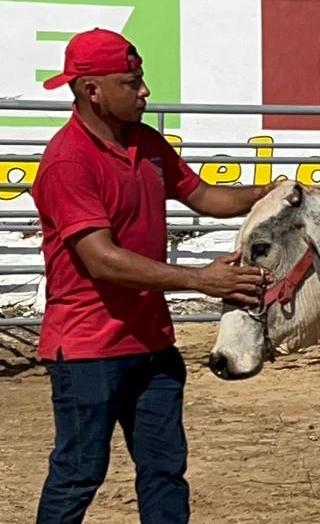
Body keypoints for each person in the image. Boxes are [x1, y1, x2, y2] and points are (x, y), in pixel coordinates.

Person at [30, 28, 278, 524]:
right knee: (79, 472)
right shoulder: (67, 161)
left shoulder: (145, 142)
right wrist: (200, 280)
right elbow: (101, 259)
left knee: (164, 470)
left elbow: (205, 196)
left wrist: (265, 194)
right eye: (132, 81)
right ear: (91, 90)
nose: (144, 91)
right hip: (87, 350)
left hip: (150, 343)